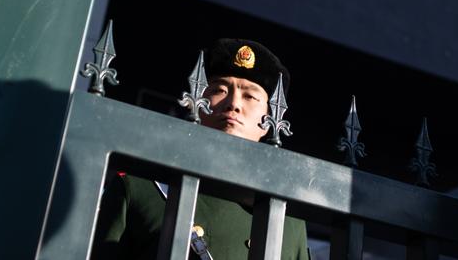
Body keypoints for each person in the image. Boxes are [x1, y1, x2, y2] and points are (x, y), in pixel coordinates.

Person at [92, 38, 308, 259]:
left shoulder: (287, 218)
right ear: (196, 100)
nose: (233, 103)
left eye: (250, 96)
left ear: (271, 119)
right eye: (220, 90)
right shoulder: (142, 188)